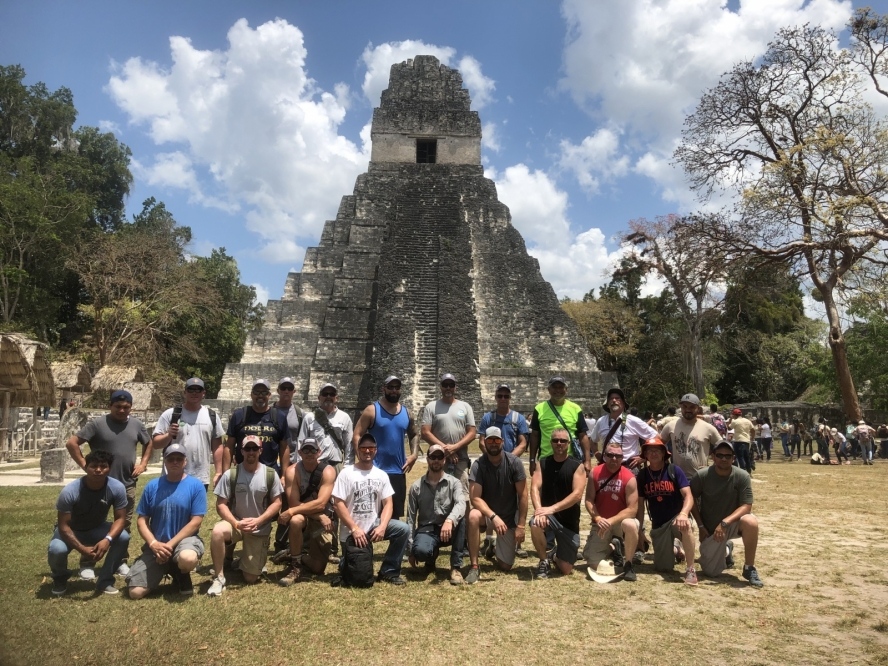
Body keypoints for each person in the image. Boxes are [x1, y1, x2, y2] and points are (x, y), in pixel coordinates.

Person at [65, 389, 151, 578]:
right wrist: (84, 464)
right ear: (110, 406)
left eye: (126, 407)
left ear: (131, 407)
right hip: (98, 485)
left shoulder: (136, 424)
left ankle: (119, 560)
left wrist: (143, 463)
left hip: (126, 483)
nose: (122, 410)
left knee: (124, 525)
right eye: (118, 407)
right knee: (93, 524)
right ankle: (88, 562)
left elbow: (148, 442)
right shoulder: (98, 424)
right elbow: (72, 443)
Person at [126, 443, 207, 598]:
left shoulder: (196, 486)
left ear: (185, 461)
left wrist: (168, 546)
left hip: (184, 542)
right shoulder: (152, 486)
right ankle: (162, 567)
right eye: (171, 459)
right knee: (135, 593)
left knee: (187, 558)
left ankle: (181, 572)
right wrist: (154, 544)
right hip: (157, 544)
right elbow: (142, 520)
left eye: (179, 458)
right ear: (165, 461)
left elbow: (195, 522)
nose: (175, 462)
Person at [207, 435, 284, 596]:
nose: (251, 452)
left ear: (260, 451)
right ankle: (219, 577)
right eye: (247, 448)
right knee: (217, 531)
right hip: (237, 524)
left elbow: (277, 503)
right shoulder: (231, 474)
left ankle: (245, 562)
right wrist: (235, 523)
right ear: (241, 451)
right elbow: (221, 504)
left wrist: (259, 520)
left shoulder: (270, 474)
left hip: (259, 527)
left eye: (254, 448)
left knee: (250, 578)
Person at [331, 432, 410, 585]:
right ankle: (346, 563)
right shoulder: (346, 473)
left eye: (371, 448)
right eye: (363, 448)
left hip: (373, 525)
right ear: (358, 450)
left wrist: (382, 526)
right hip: (351, 531)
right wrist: (354, 528)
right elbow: (338, 503)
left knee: (403, 529)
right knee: (351, 572)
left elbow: (388, 503)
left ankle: (389, 571)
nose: (367, 451)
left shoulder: (381, 475)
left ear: (376, 450)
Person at [47, 450, 130, 596]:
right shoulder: (70, 491)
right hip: (71, 531)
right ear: (86, 467)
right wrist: (82, 549)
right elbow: (63, 526)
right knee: (56, 549)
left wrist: (107, 539)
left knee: (123, 537)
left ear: (109, 468)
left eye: (103, 466)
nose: (98, 470)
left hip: (96, 528)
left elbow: (120, 519)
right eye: (94, 466)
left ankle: (105, 580)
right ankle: (60, 578)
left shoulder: (116, 488)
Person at [690, 440, 764, 588]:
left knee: (751, 521)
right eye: (720, 455)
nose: (724, 459)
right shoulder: (701, 475)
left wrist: (724, 523)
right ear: (713, 457)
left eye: (728, 456)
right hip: (710, 529)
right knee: (711, 572)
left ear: (733, 458)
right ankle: (727, 550)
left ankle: (749, 568)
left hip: (731, 524)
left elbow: (746, 506)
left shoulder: (742, 476)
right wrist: (700, 526)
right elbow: (690, 501)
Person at [464, 426, 528, 584]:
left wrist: (520, 526)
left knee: (506, 566)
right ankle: (474, 566)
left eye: (496, 440)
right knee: (472, 516)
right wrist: (493, 517)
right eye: (490, 440)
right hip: (488, 515)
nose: (493, 443)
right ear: (484, 442)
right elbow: (475, 498)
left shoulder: (514, 462)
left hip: (508, 516)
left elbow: (523, 495)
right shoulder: (479, 465)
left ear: (502, 442)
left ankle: (492, 547)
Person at [352, 375, 420, 521]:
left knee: (394, 517)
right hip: (375, 471)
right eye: (390, 387)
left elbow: (414, 434)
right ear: (384, 389)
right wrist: (362, 458)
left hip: (397, 472)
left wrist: (414, 455)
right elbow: (357, 435)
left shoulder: (407, 413)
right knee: (368, 515)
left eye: (397, 387)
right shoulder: (372, 410)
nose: (394, 390)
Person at [477, 383, 531, 559]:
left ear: (510, 398)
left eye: (506, 396)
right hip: (491, 464)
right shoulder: (488, 417)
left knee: (515, 501)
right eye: (499, 396)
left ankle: (517, 542)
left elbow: (523, 442)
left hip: (511, 465)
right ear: (495, 397)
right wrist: (492, 460)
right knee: (490, 498)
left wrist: (509, 459)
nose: (502, 399)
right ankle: (489, 539)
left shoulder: (518, 418)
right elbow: (481, 441)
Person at [635, 437, 698, 586]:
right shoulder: (643, 475)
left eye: (657, 450)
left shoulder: (674, 470)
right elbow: (640, 506)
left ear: (664, 453)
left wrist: (683, 514)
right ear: (645, 455)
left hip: (677, 518)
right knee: (663, 567)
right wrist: (639, 531)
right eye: (649, 451)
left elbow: (688, 495)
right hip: (659, 524)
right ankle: (676, 549)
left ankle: (690, 569)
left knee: (685, 526)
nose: (653, 453)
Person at [276, 437, 337, 586]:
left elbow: (321, 503)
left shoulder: (328, 471)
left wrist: (291, 511)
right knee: (296, 520)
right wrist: (318, 515)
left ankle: (296, 554)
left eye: (313, 450)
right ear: (300, 452)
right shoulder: (292, 471)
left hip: (321, 518)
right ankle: (296, 565)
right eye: (306, 450)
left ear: (319, 452)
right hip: (310, 516)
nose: (309, 453)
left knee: (318, 568)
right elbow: (294, 503)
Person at [405, 443, 467, 585]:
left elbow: (461, 504)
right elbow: (410, 519)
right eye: (433, 457)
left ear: (444, 460)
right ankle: (430, 558)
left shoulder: (454, 483)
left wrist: (450, 520)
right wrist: (411, 550)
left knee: (461, 518)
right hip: (427, 530)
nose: (436, 460)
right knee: (421, 551)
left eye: (439, 457)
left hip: (448, 531)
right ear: (427, 459)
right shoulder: (416, 487)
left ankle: (456, 568)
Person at [529, 428, 585, 579]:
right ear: (551, 443)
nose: (559, 443)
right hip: (548, 517)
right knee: (535, 523)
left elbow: (577, 495)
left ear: (568, 444)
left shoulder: (577, 466)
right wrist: (539, 510)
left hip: (568, 522)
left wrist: (551, 509)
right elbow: (534, 487)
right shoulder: (543, 463)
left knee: (566, 569)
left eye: (563, 441)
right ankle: (543, 561)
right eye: (555, 440)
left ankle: (553, 555)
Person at [152, 377, 224, 489]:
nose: (194, 393)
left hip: (200, 477)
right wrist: (168, 435)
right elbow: (156, 444)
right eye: (191, 390)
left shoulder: (212, 416)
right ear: (185, 392)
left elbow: (217, 446)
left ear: (203, 393)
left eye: (198, 390)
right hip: (173, 475)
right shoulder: (170, 414)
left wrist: (218, 472)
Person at [582, 441, 640, 581]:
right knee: (592, 562)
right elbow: (589, 500)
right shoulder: (595, 473)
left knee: (631, 525)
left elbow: (632, 509)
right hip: (601, 522)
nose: (614, 459)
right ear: (605, 456)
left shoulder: (629, 477)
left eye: (618, 456)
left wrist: (610, 521)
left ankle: (628, 564)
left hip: (620, 523)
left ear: (622, 458)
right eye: (610, 455)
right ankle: (614, 548)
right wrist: (597, 518)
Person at [420, 373, 477, 509]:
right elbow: (425, 432)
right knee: (437, 494)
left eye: (451, 385)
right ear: (440, 387)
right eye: (445, 385)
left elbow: (472, 433)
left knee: (463, 496)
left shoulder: (465, 407)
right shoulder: (431, 407)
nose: (448, 388)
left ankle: (465, 529)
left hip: (460, 459)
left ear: (455, 387)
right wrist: (446, 450)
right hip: (438, 459)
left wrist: (455, 447)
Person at [224, 379, 290, 478]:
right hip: (243, 473)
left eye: (264, 392)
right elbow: (229, 446)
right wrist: (226, 473)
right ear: (251, 395)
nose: (260, 395)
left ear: (269, 395)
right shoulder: (239, 415)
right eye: (256, 392)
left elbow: (284, 448)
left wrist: (284, 476)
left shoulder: (279, 417)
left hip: (270, 473)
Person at [529, 376, 592, 476]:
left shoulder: (575, 409)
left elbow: (583, 436)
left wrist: (587, 460)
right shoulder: (539, 409)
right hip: (545, 459)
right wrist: (532, 460)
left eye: (561, 387)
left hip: (569, 460)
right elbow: (535, 435)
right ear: (549, 390)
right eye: (554, 387)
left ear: (566, 390)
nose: (558, 390)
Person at [589, 387, 654, 473]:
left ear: (623, 404)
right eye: (611, 398)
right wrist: (597, 454)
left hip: (629, 468)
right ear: (608, 404)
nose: (614, 400)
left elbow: (656, 437)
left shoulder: (633, 420)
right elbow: (592, 441)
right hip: (607, 468)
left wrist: (644, 457)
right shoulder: (601, 421)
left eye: (617, 398)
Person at [659, 393, 721, 478]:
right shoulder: (671, 426)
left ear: (698, 408)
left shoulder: (708, 428)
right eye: (685, 406)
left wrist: (714, 467)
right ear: (681, 407)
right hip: (677, 478)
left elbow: (722, 447)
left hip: (701, 478)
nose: (688, 410)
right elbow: (658, 444)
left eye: (692, 407)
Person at [298, 382, 352, 468]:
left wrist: (347, 466)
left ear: (336, 398)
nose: (328, 397)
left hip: (336, 464)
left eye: (332, 394)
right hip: (314, 465)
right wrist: (300, 466)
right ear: (319, 398)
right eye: (325, 394)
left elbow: (349, 445)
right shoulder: (309, 418)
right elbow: (301, 442)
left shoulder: (345, 417)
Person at [728, 408, 754, 474]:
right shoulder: (747, 421)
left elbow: (729, 428)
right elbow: (753, 430)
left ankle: (743, 470)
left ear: (734, 415)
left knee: (740, 457)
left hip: (738, 440)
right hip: (747, 441)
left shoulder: (735, 421)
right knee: (746, 456)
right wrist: (752, 438)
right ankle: (749, 471)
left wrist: (730, 419)